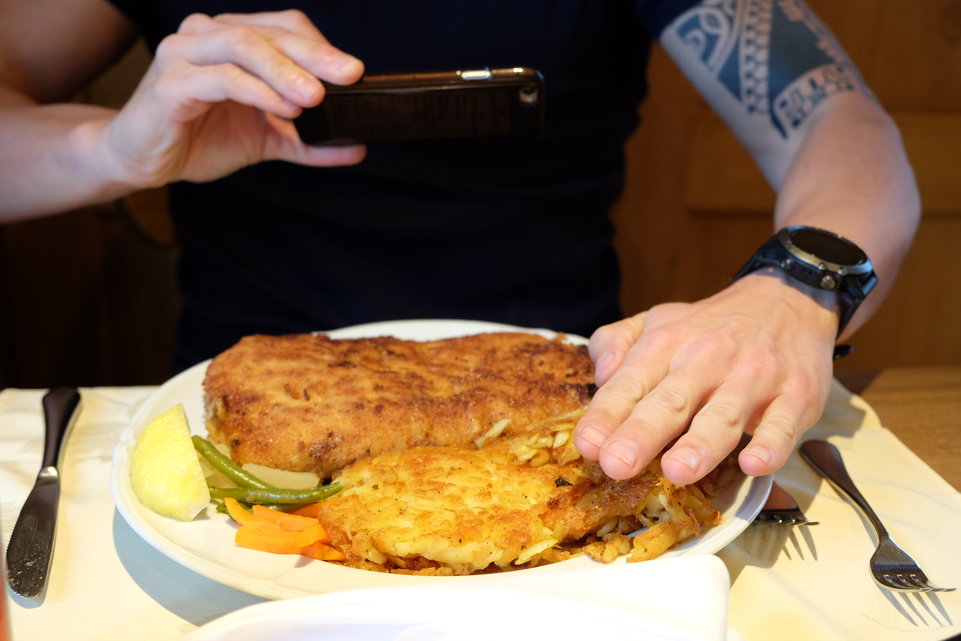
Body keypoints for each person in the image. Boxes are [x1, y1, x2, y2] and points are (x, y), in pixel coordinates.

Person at [0, 1, 919, 487]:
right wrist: (113, 148)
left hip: (564, 421)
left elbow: (840, 124)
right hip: (237, 436)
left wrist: (796, 285)